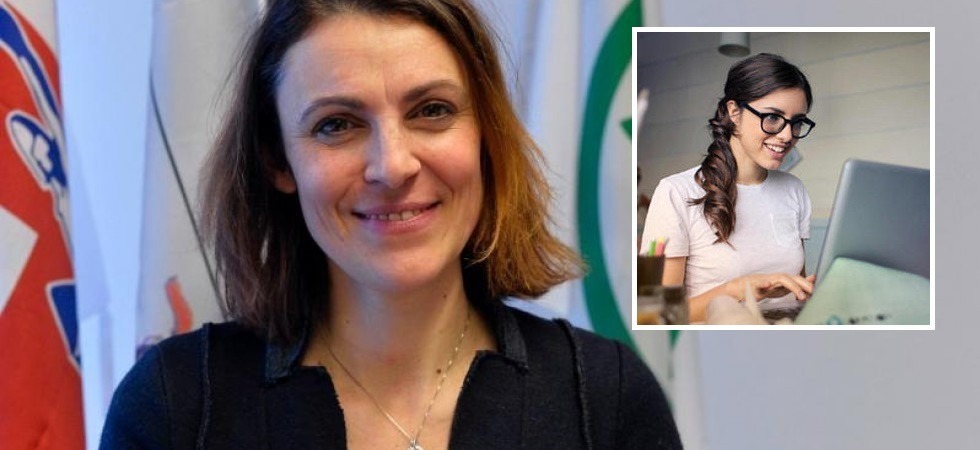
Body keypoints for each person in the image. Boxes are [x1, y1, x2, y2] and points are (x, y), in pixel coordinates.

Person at [101, 1, 681, 449]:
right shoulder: (175, 407)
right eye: (337, 124)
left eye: (432, 111)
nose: (393, 165)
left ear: (485, 137)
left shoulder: (606, 401)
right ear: (278, 160)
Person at [640, 53, 816, 324]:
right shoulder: (674, 192)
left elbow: (797, 292)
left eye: (797, 122)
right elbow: (651, 313)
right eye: (772, 117)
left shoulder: (794, 189)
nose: (787, 135)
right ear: (734, 112)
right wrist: (737, 290)